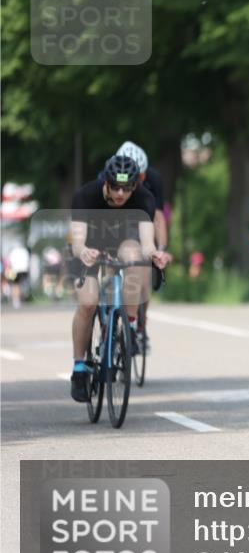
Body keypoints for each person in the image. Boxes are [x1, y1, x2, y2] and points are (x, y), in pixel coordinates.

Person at [69, 154, 170, 402]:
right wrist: (84, 252)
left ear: (135, 185)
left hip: (123, 242)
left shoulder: (144, 198)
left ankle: (130, 326)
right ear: (105, 181)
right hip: (89, 248)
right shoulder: (85, 196)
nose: (120, 194)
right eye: (115, 186)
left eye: (127, 188)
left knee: (136, 256)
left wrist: (155, 253)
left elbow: (146, 243)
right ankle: (80, 367)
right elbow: (77, 243)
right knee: (88, 303)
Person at [115, 141, 172, 351]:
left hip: (140, 224)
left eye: (141, 177)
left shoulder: (153, 180)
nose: (138, 181)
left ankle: (140, 324)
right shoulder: (109, 175)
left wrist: (161, 249)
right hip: (115, 223)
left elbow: (158, 217)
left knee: (144, 273)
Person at [4, 244, 30, 308]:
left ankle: (16, 300)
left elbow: (9, 262)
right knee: (21, 284)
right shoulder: (24, 251)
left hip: (14, 270)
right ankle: (21, 297)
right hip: (23, 270)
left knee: (15, 285)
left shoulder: (13, 251)